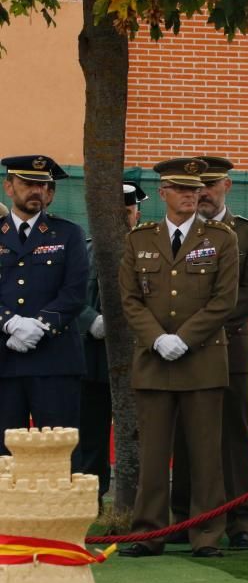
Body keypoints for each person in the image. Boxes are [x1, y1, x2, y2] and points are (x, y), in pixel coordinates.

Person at [117, 157, 239, 558]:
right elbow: (130, 300)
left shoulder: (221, 238)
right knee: (152, 455)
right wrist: (157, 339)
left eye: (196, 189)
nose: (191, 195)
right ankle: (148, 532)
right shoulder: (139, 239)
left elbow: (225, 300)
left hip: (201, 359)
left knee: (206, 455)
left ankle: (205, 535)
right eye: (182, 189)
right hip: (154, 362)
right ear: (164, 193)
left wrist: (184, 338)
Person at [170, 156, 248, 549]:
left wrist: (199, 331)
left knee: (233, 437)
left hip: (229, 350)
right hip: (183, 353)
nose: (203, 192)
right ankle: (183, 517)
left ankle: (240, 521)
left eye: (211, 184)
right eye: (197, 186)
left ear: (228, 186)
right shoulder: (177, 231)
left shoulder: (247, 233)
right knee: (185, 436)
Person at [0, 155, 88, 456]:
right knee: (3, 454)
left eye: (43, 185)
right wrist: (9, 322)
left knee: (58, 451)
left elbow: (75, 292)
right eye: (28, 183)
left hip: (55, 359)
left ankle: (61, 505)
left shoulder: (69, 234)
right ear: (9, 187)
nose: (36, 190)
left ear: (51, 193)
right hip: (4, 357)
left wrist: (39, 326)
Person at [78, 180, 147, 507]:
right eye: (114, 212)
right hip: (93, 360)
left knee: (138, 437)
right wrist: (92, 320)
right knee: (90, 438)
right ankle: (89, 502)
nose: (121, 218)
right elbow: (70, 295)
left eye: (128, 211)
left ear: (137, 214)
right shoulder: (85, 250)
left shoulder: (149, 251)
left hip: (139, 360)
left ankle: (136, 504)